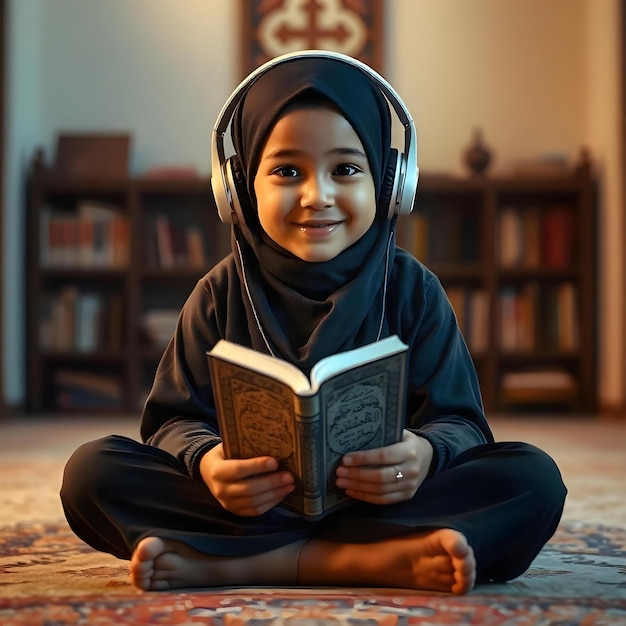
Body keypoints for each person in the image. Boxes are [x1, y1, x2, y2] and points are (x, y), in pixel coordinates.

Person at [60, 51, 566, 596]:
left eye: (346, 169)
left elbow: (461, 423)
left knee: (532, 479)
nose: (317, 196)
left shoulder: (415, 290)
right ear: (238, 188)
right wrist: (208, 464)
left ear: (391, 182)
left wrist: (422, 455)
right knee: (92, 472)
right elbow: (170, 423)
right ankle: (368, 563)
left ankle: (243, 565)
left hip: (382, 506)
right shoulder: (218, 293)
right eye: (286, 171)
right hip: (251, 510)